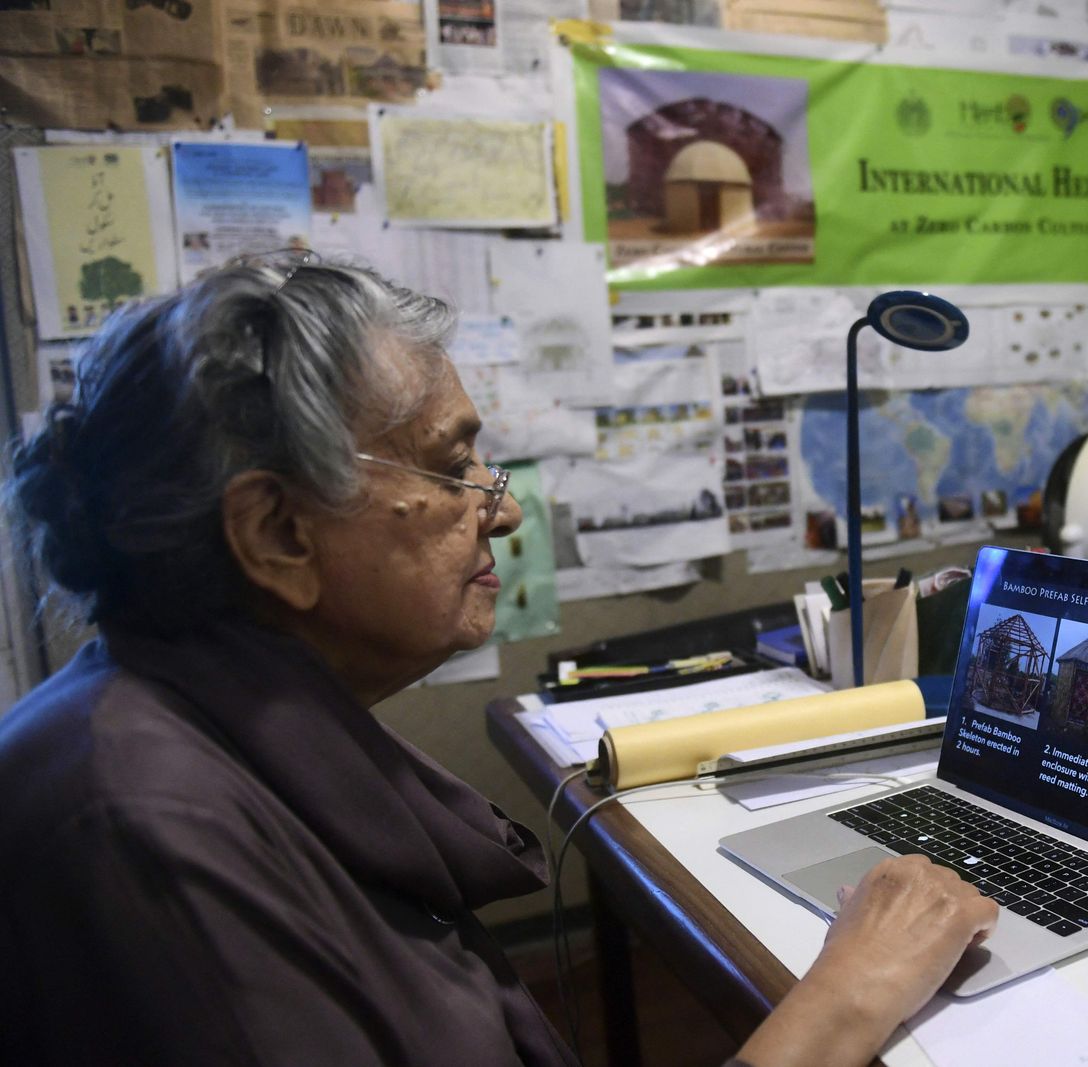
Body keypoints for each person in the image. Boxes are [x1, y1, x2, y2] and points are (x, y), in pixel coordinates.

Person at [0, 253, 997, 1066]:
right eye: (447, 469)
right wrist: (847, 997)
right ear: (278, 534)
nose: (504, 508)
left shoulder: (183, 727)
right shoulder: (146, 834)